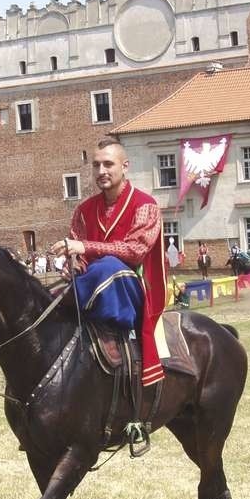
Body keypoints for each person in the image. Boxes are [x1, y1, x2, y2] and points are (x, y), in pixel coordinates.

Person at [52, 136, 165, 387]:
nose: (101, 171)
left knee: (108, 266)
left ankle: (112, 336)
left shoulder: (146, 205)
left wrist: (85, 247)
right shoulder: (83, 210)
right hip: (93, 284)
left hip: (131, 287)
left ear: (125, 166)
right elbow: (79, 257)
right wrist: (72, 266)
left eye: (108, 164)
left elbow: (135, 251)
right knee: (52, 293)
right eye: (96, 165)